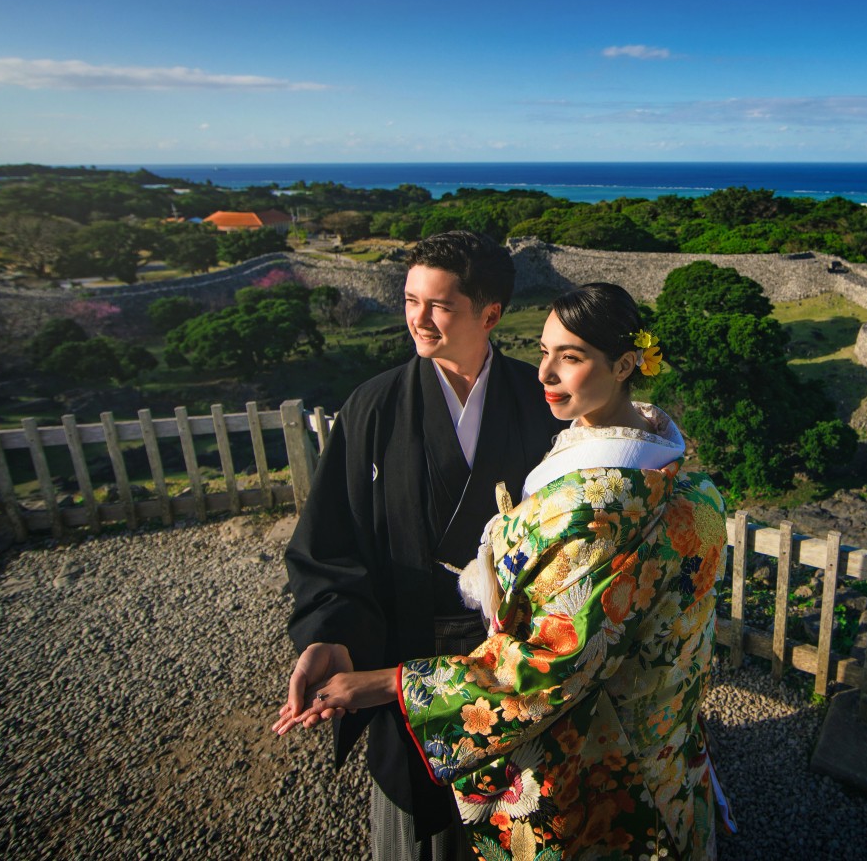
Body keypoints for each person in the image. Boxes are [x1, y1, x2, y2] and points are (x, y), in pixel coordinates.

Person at [277, 282, 731, 860]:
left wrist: (388, 684)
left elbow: (550, 664)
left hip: (596, 740)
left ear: (623, 364)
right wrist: (333, 629)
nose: (544, 373)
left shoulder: (602, 505)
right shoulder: (676, 472)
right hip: (660, 729)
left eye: (569, 357)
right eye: (543, 351)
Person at [278, 230, 566, 860]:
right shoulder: (374, 408)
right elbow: (330, 545)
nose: (417, 318)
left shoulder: (542, 404)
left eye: (439, 305)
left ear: (490, 314)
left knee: (521, 819)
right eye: (410, 299)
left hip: (509, 667)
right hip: (403, 659)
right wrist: (332, 634)